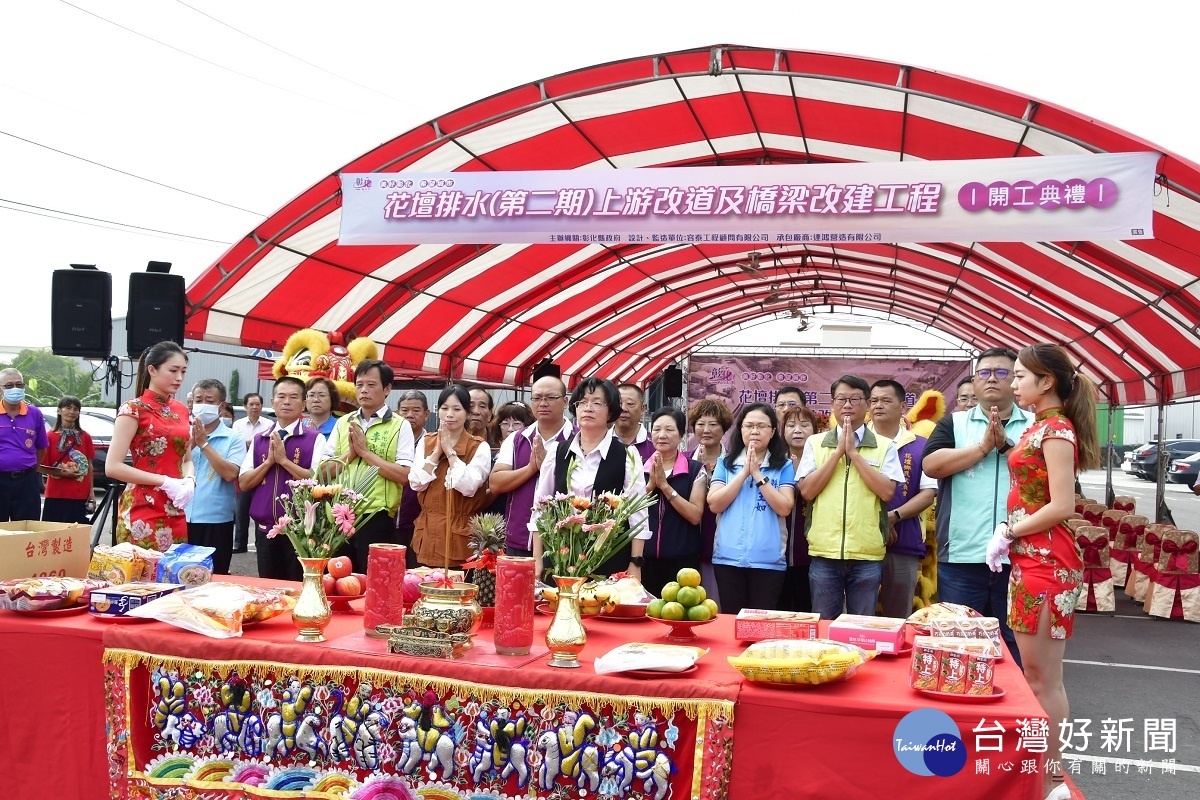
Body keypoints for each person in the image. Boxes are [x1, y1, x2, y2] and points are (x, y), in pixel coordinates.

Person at [985, 343, 1100, 800]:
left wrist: (1010, 532)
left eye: (1018, 376)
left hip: (1048, 563)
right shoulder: (1041, 427)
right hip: (1032, 558)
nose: (1012, 384)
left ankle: (1052, 777)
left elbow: (1063, 504)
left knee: (1043, 678)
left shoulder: (1056, 431)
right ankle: (1042, 769)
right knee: (1035, 673)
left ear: (1045, 381)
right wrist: (1010, 532)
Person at [923, 348, 1034, 666]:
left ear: (1015, 379)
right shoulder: (953, 424)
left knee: (1015, 644)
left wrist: (1007, 446)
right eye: (985, 372)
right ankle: (962, 714)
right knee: (958, 642)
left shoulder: (1035, 425)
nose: (992, 379)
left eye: (1002, 372)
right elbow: (932, 465)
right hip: (961, 554)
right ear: (974, 379)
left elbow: (1049, 473)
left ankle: (1013, 714)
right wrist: (984, 447)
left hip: (1021, 554)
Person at [798, 376, 903, 619]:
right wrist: (837, 453)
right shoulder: (815, 443)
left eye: (855, 399)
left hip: (867, 553)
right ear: (833, 404)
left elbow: (887, 491)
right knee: (823, 623)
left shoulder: (885, 445)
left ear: (866, 405)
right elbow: (807, 491)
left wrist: (854, 455)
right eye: (841, 399)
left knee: (861, 628)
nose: (847, 405)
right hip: (825, 552)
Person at [531, 377, 648, 579]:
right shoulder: (558, 452)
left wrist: (635, 563)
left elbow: (638, 514)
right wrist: (538, 559)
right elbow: (540, 508)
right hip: (561, 558)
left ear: (610, 411)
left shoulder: (626, 455)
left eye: (596, 402)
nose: (588, 408)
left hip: (607, 558)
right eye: (582, 402)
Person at [319, 359, 416, 572]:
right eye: (360, 384)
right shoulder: (343, 423)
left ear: (387, 389)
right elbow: (322, 472)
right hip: (339, 513)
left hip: (377, 516)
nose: (363, 390)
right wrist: (351, 455)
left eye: (371, 385)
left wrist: (365, 453)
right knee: (337, 579)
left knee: (372, 580)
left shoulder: (400, 425)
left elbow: (404, 475)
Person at [105, 342, 195, 552]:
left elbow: (187, 458)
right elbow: (113, 466)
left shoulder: (181, 410)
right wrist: (164, 481)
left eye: (183, 371)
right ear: (152, 370)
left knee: (174, 572)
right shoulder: (133, 409)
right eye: (173, 371)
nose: (179, 378)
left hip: (175, 505)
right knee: (142, 578)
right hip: (142, 507)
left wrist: (190, 479)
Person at [707, 403, 795, 613]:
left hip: (768, 562)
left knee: (761, 625)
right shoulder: (725, 463)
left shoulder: (784, 465)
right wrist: (743, 473)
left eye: (762, 426)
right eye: (749, 426)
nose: (755, 431)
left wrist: (757, 475)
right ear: (741, 430)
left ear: (773, 432)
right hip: (727, 559)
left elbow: (785, 507)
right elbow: (714, 503)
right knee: (730, 622)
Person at [239, 376, 326, 581]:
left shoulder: (315, 438)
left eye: (293, 397)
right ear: (272, 402)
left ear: (303, 404)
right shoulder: (260, 439)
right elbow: (244, 482)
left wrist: (284, 461)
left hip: (301, 531)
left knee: (297, 587)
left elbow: (318, 480)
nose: (287, 401)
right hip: (265, 529)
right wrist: (269, 462)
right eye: (281, 396)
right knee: (268, 588)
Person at [868, 380, 937, 618]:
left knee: (897, 617)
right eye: (874, 400)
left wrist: (894, 517)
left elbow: (928, 493)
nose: (878, 406)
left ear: (903, 406)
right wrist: (877, 520)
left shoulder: (920, 446)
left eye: (886, 400)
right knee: (857, 616)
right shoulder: (855, 444)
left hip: (904, 542)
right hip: (860, 543)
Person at [408, 386, 493, 568]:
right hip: (428, 533)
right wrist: (437, 452)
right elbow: (415, 482)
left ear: (467, 413)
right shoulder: (427, 441)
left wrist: (450, 452)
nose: (450, 414)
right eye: (445, 408)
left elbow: (469, 486)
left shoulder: (478, 446)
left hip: (461, 536)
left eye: (457, 409)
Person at [490, 375, 573, 558]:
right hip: (519, 538)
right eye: (537, 398)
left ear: (565, 401)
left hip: (565, 543)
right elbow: (495, 483)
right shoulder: (517, 438)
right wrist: (530, 468)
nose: (543, 403)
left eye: (550, 398)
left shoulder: (577, 439)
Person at [641, 407, 707, 597]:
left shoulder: (695, 470)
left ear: (680, 436)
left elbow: (695, 515)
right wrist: (650, 487)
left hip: (683, 562)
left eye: (669, 430)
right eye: (656, 429)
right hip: (645, 559)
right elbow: (627, 511)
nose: (662, 435)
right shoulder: (638, 467)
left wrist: (665, 487)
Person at [185, 379, 247, 575]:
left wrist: (204, 444)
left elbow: (230, 474)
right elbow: (169, 468)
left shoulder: (233, 437)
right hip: (182, 517)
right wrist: (191, 444)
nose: (202, 404)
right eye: (198, 399)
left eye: (209, 400)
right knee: (180, 577)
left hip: (216, 521)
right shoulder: (181, 434)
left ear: (221, 407)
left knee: (215, 577)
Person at [686, 398, 733, 608]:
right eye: (701, 424)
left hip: (721, 544)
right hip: (688, 545)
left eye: (713, 424)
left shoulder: (735, 464)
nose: (706, 429)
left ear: (724, 429)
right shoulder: (684, 461)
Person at [779, 405, 822, 612]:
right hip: (777, 556)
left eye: (805, 425)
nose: (797, 430)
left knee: (808, 610)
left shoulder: (822, 463)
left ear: (814, 431)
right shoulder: (774, 463)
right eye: (791, 425)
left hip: (812, 554)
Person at [0, 368, 48, 522]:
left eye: (19, 384)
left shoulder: (34, 414)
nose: (15, 389)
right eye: (9, 385)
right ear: (0, 389)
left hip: (26, 481)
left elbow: (41, 448)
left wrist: (30, 467)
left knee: (26, 530)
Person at [41, 396, 94, 524]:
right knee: (53, 533)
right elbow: (40, 466)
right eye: (68, 408)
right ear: (59, 411)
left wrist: (91, 491)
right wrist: (62, 473)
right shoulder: (49, 436)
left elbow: (89, 466)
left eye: (76, 409)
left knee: (75, 534)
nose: (72, 412)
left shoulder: (85, 437)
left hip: (79, 493)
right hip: (56, 493)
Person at [231, 392, 272, 554]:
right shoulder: (238, 425)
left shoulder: (269, 424)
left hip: (264, 472)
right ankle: (239, 543)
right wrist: (254, 442)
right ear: (245, 407)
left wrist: (251, 443)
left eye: (257, 404)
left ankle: (260, 543)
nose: (254, 407)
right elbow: (237, 446)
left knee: (261, 508)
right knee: (241, 510)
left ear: (262, 406)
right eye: (251, 404)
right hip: (245, 472)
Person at [394, 389, 430, 567]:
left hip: (418, 523)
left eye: (416, 410)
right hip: (389, 522)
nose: (409, 415)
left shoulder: (431, 444)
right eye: (404, 410)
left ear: (426, 414)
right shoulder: (392, 440)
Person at [614, 383, 655, 461]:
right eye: (619, 403)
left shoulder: (654, 444)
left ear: (642, 408)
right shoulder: (601, 441)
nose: (623, 409)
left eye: (630, 404)